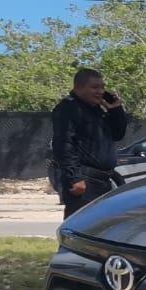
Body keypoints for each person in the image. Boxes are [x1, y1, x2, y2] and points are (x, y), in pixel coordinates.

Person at [50, 68, 129, 217]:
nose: (100, 92)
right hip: (85, 181)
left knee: (101, 227)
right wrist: (75, 178)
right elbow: (64, 144)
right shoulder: (69, 108)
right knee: (81, 227)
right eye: (94, 87)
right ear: (79, 87)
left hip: (103, 180)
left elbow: (118, 134)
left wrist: (115, 111)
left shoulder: (97, 111)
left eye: (102, 87)